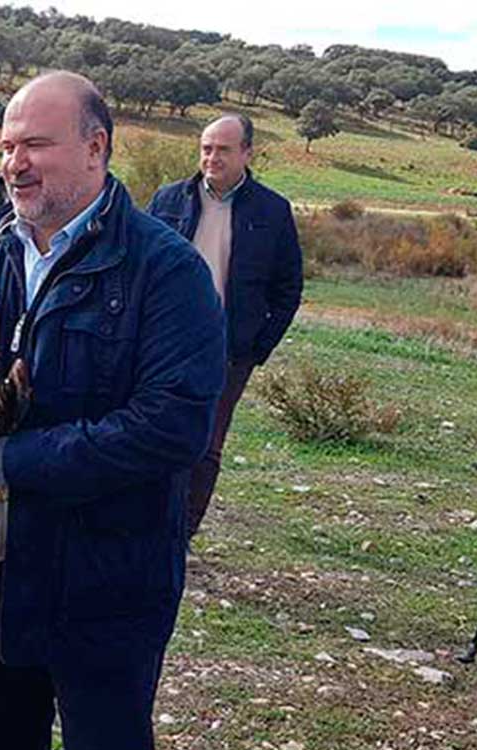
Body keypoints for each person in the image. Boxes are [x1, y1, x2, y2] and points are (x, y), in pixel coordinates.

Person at [0, 72, 226, 750]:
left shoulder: (165, 270)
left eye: (35, 145)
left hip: (104, 585)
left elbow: (173, 425)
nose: (14, 164)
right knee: (1, 737)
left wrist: (14, 459)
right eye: (7, 146)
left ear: (95, 147)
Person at [145, 113, 304, 539]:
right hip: (162, 342)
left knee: (206, 444)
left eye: (223, 149)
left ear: (247, 153)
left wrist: (257, 346)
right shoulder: (168, 200)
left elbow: (288, 287)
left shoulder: (272, 210)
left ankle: (180, 535)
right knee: (150, 429)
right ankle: (144, 523)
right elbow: (138, 266)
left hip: (228, 349)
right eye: (206, 148)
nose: (212, 157)